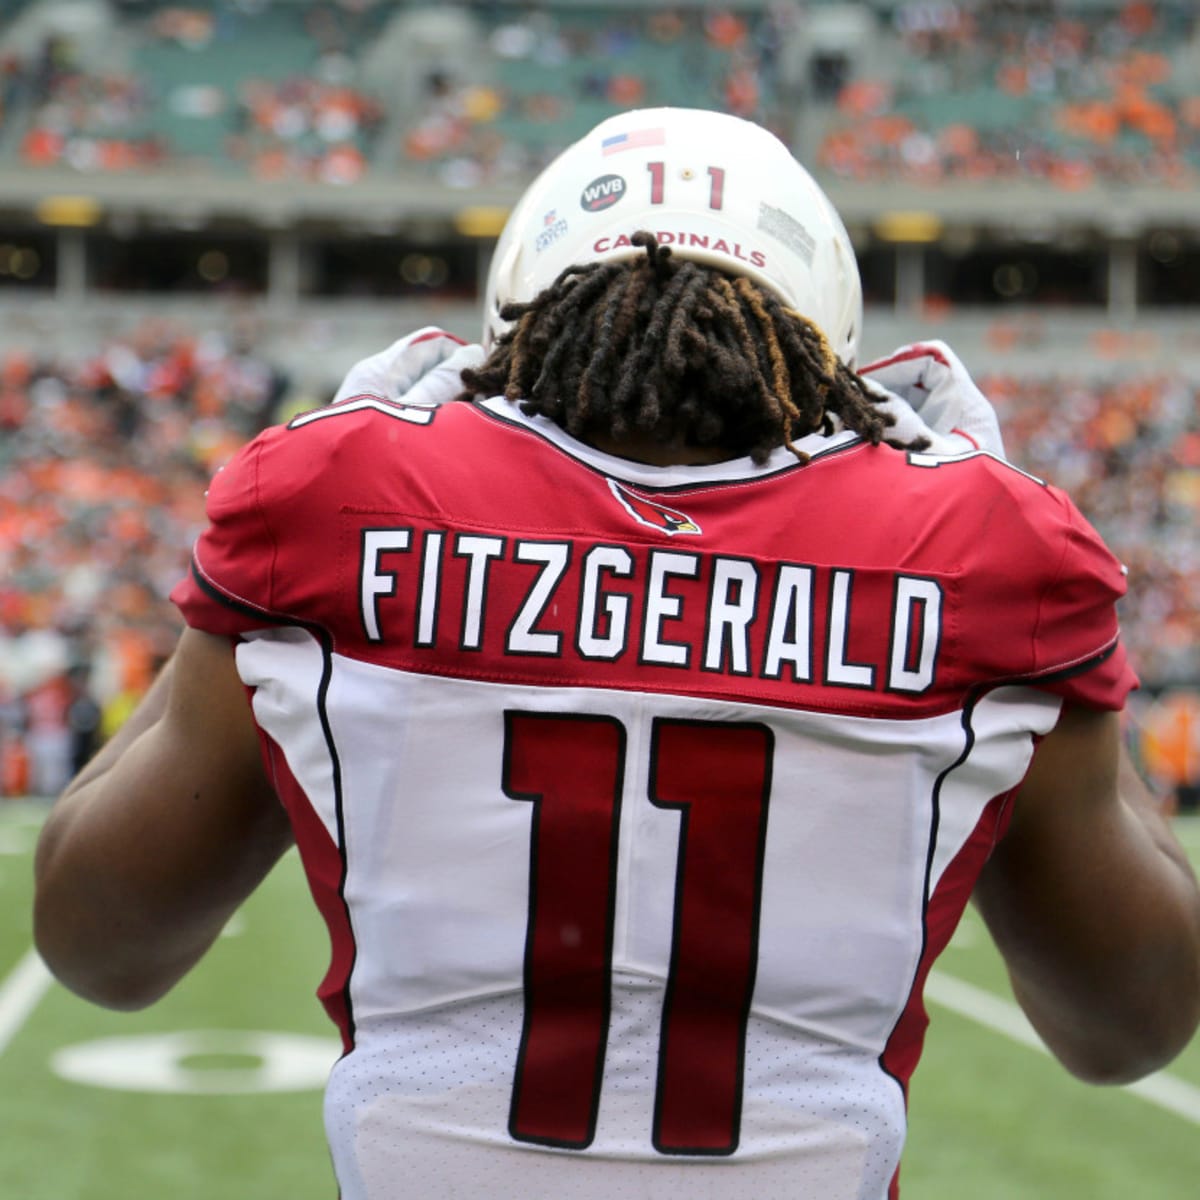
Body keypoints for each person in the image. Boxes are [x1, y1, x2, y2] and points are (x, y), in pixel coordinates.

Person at [33, 107, 1200, 1199]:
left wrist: (266, 579)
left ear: (518, 318)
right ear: (827, 341)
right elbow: (1130, 1024)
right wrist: (1040, 614)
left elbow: (100, 943)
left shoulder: (336, 499)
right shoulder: (988, 549)